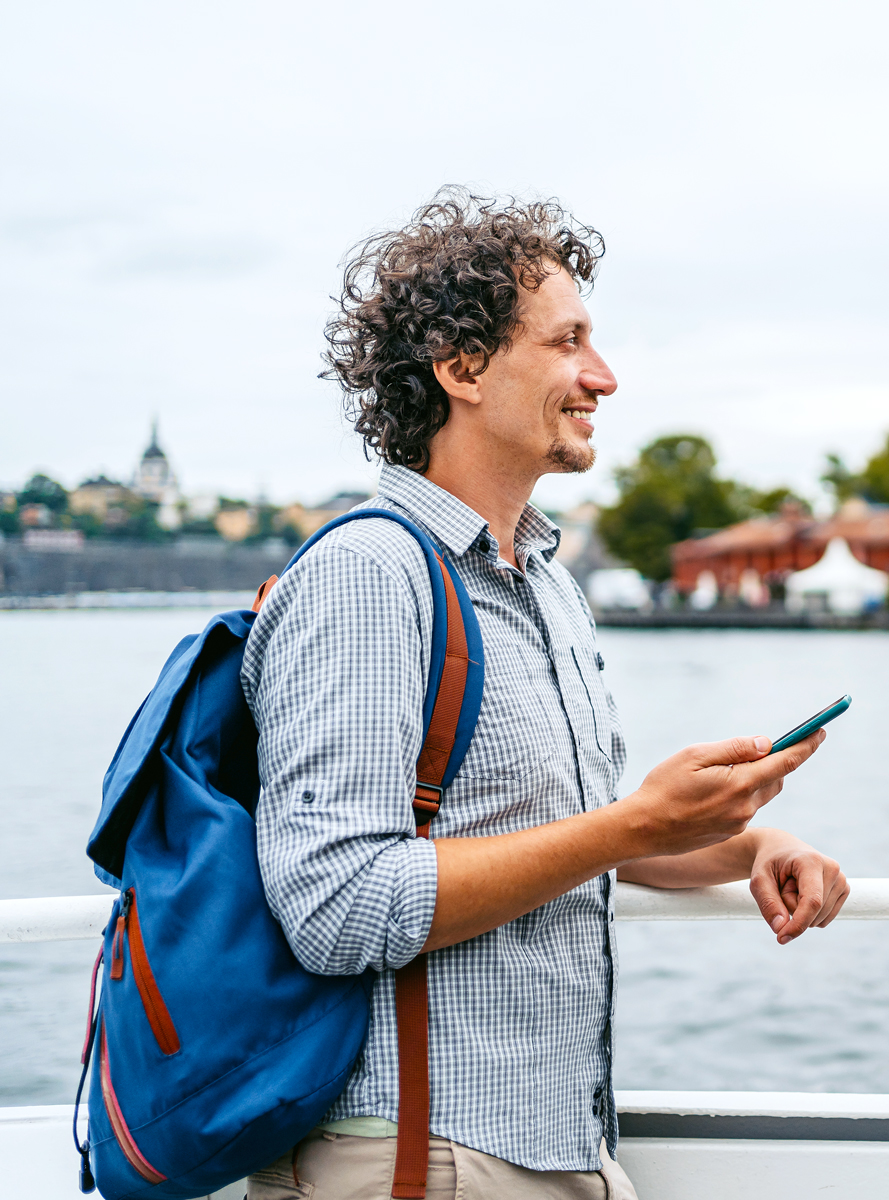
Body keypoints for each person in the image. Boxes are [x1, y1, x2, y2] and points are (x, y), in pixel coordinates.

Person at [241, 190, 850, 1199]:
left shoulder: (544, 583)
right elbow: (338, 907)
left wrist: (752, 844)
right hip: (414, 1157)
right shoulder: (369, 573)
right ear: (462, 367)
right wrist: (630, 827)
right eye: (568, 343)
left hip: (550, 1146)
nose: (602, 377)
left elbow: (559, 833)